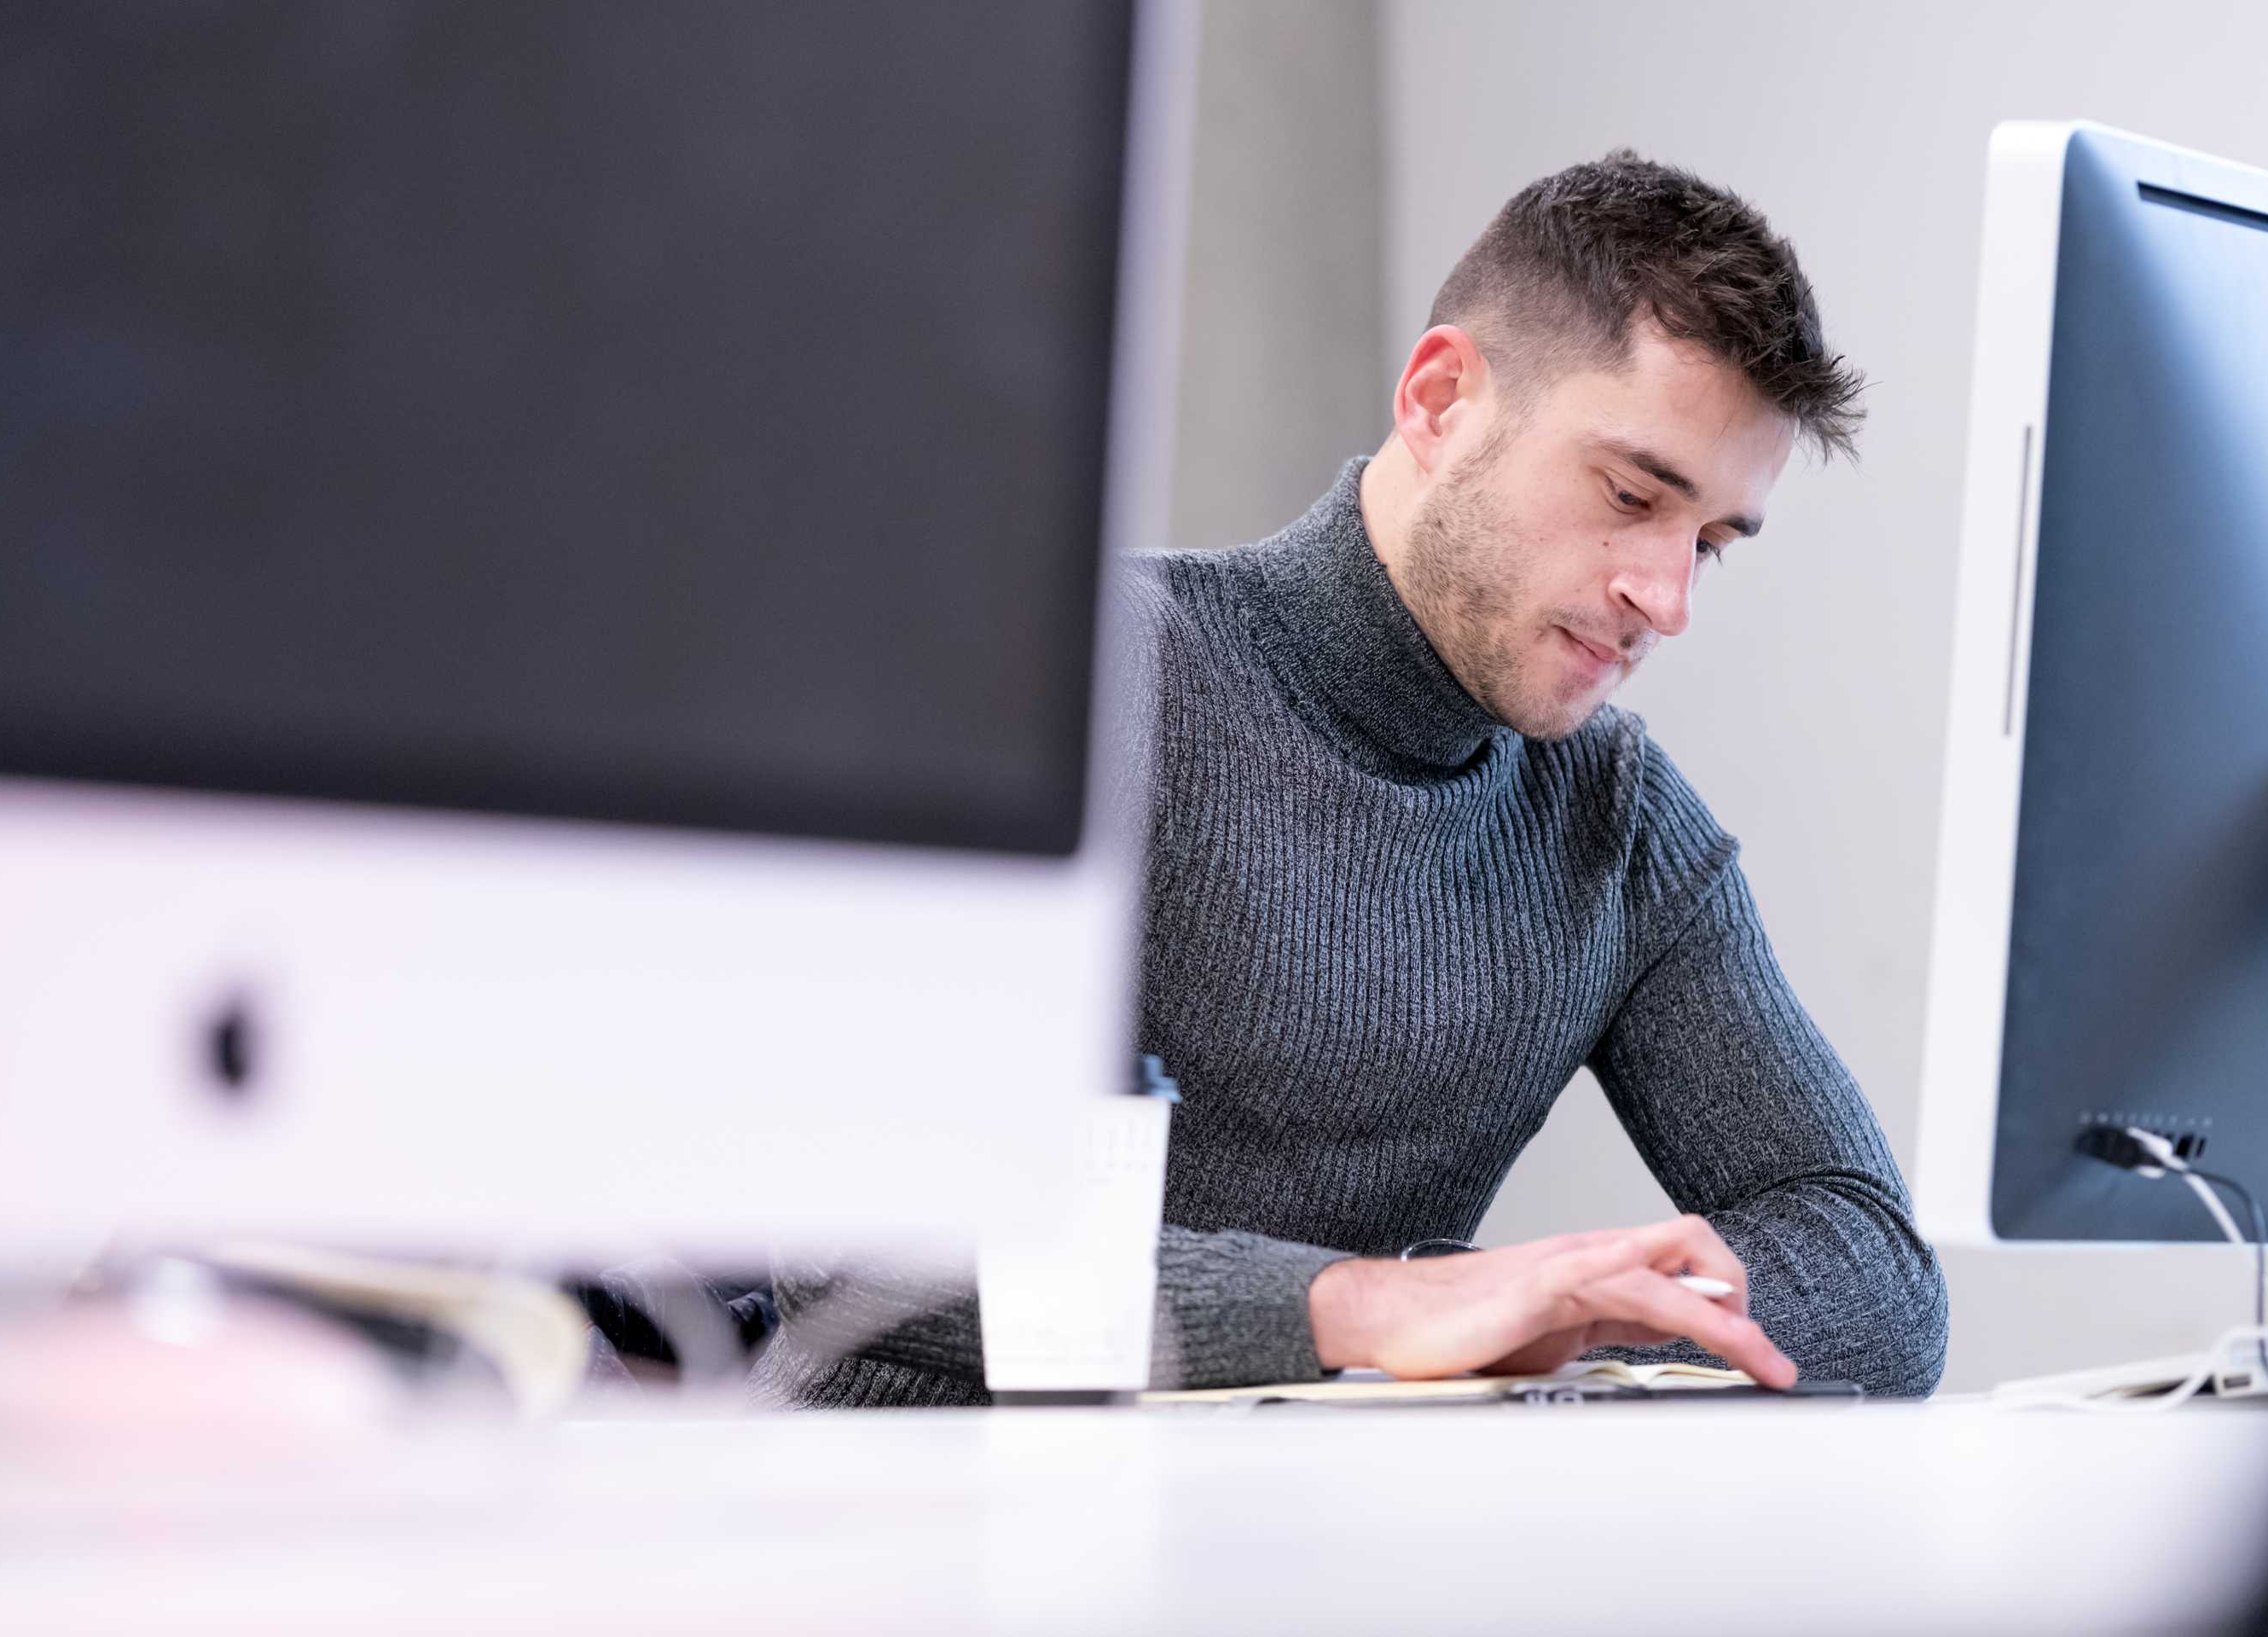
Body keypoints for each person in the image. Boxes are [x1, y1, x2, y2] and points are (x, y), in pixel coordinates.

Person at [755, 149, 1948, 1404]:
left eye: (1709, 542)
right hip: (902, 1561)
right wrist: (1371, 1309)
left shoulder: (1618, 826)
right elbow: (850, 1239)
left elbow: (1876, 1280)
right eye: (1629, 494)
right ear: (1439, 401)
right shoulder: (1076, 677)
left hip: (1267, 1563)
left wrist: (1545, 1323)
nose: (1666, 598)